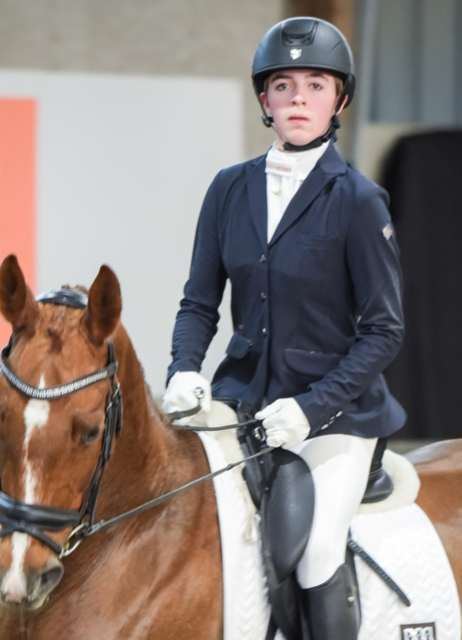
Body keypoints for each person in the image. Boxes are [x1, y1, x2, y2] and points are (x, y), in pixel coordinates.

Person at [162, 16, 406, 640]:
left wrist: (311, 407)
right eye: (284, 85)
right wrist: (185, 368)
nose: (299, 98)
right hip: (243, 402)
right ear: (264, 100)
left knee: (319, 549)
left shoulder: (358, 200)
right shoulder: (228, 190)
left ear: (340, 100)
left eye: (316, 84)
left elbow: (384, 331)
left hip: (336, 416)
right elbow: (199, 303)